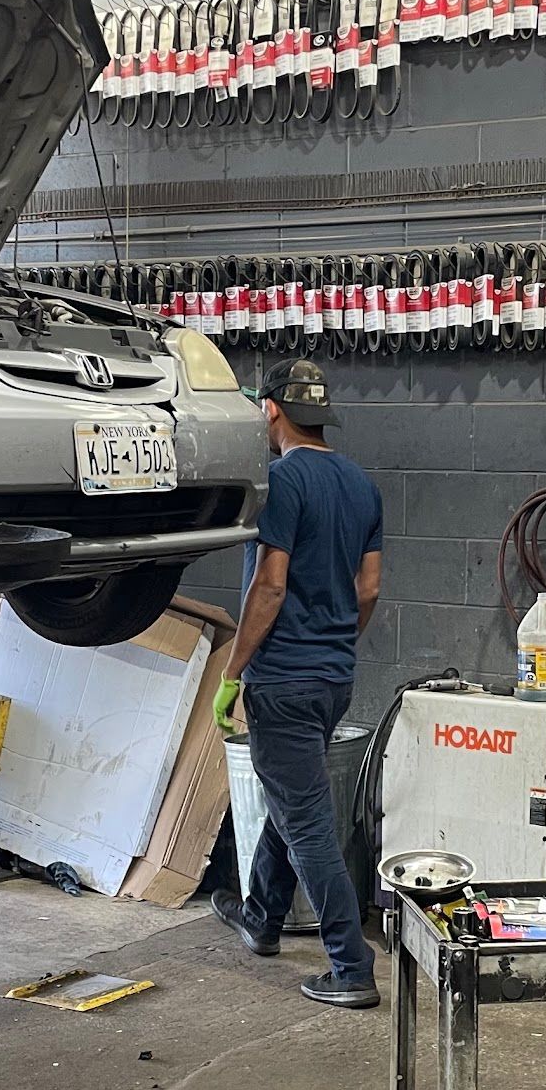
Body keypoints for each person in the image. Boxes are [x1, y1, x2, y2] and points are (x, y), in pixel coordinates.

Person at [211, 356, 383, 1008]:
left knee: (306, 818)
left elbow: (270, 584)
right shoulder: (361, 484)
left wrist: (231, 675)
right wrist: (334, 641)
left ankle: (351, 966)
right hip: (331, 677)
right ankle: (262, 916)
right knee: (293, 802)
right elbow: (369, 588)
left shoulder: (280, 481)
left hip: (281, 680)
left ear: (272, 409)